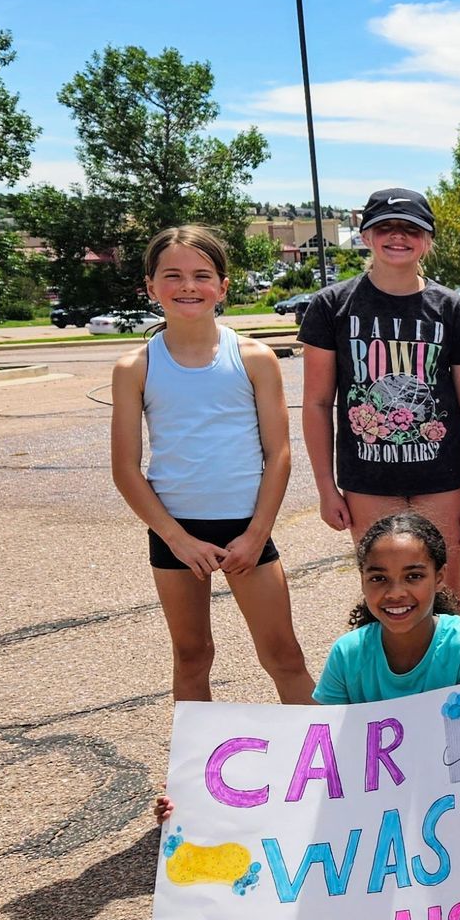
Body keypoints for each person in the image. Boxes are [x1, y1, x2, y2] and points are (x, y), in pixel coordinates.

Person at [156, 512, 460, 822]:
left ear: (441, 577)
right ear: (361, 580)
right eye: (378, 578)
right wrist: (196, 802)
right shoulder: (349, 654)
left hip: (452, 812)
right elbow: (315, 754)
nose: (396, 593)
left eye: (413, 576)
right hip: (376, 817)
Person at [110, 225, 313, 706]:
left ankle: (324, 775)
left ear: (223, 287)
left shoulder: (254, 358)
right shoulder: (135, 367)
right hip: (176, 530)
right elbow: (125, 467)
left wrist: (257, 534)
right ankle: (191, 778)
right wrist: (176, 539)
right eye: (172, 275)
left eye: (202, 275)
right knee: (192, 655)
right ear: (150, 286)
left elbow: (278, 453)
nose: (187, 286)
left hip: (247, 527)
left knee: (283, 655)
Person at [300, 188, 460, 609]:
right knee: (383, 591)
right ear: (365, 235)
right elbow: (316, 403)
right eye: (384, 227)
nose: (397, 236)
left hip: (443, 477)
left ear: (427, 239)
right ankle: (392, 677)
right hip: (367, 481)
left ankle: (459, 677)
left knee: (447, 590)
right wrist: (326, 487)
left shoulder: (452, 309)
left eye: (411, 228)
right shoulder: (332, 306)